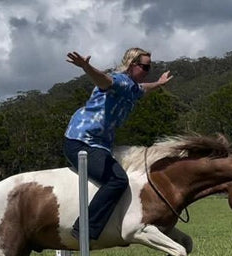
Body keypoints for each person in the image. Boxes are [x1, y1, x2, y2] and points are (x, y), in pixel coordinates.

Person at [63, 47, 173, 240]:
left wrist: (159, 83)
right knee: (117, 180)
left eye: (150, 67)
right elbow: (105, 81)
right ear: (132, 65)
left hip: (100, 144)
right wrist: (86, 67)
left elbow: (143, 89)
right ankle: (84, 228)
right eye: (145, 67)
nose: (148, 70)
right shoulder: (121, 81)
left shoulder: (132, 87)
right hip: (81, 141)